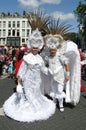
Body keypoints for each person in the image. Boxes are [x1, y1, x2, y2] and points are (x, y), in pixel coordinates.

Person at [3, 28, 56, 122]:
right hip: (28, 80)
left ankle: (35, 107)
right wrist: (19, 83)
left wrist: (50, 71)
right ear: (31, 47)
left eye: (36, 48)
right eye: (33, 48)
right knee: (28, 95)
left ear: (38, 48)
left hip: (37, 80)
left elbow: (43, 69)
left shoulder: (40, 58)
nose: (35, 49)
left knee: (36, 94)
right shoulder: (26, 57)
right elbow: (22, 71)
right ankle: (27, 107)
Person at [44, 35, 70, 112]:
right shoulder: (48, 57)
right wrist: (47, 70)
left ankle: (61, 104)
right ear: (49, 50)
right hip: (52, 77)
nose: (52, 51)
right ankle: (54, 102)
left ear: (56, 50)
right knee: (53, 90)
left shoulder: (60, 56)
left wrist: (67, 75)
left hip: (60, 77)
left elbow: (66, 65)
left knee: (59, 90)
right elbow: (45, 64)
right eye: (51, 50)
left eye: (54, 50)